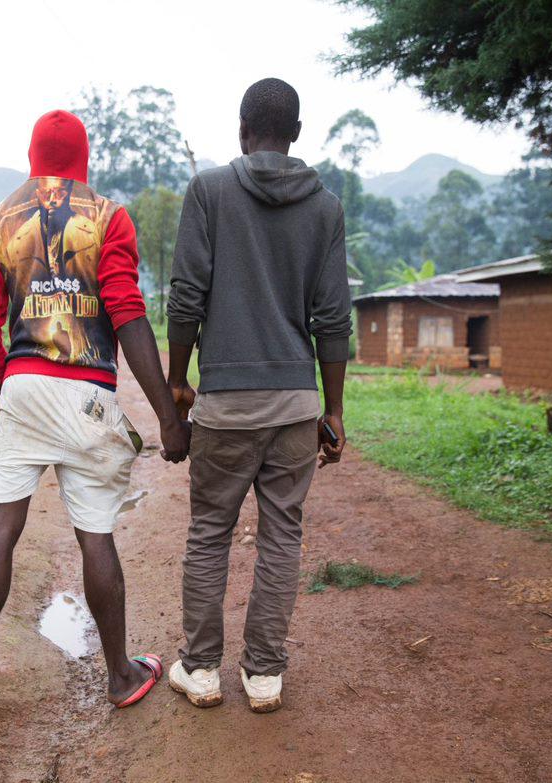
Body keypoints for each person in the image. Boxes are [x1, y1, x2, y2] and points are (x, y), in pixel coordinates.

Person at [0, 109, 190, 710]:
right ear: (84, 158)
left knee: (2, 526)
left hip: (22, 385)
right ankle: (122, 676)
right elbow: (127, 313)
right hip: (91, 394)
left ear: (32, 157)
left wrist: (17, 389)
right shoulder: (108, 217)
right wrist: (167, 417)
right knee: (95, 534)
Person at [165, 78, 352, 713]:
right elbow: (333, 316)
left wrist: (175, 380)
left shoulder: (210, 191)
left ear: (242, 130)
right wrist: (334, 408)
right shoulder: (325, 206)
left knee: (210, 532)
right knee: (281, 537)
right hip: (297, 406)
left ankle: (201, 670)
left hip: (225, 405)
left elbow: (185, 295)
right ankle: (265, 674)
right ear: (295, 133)